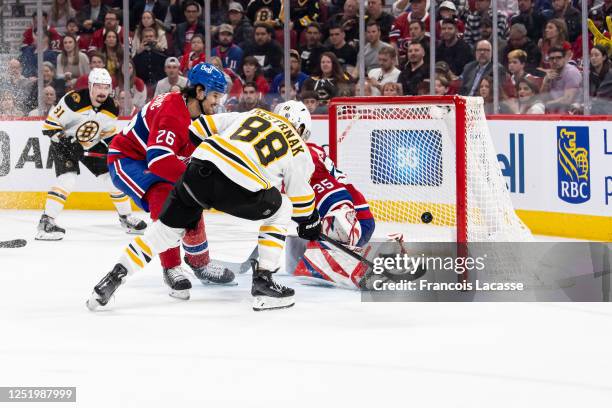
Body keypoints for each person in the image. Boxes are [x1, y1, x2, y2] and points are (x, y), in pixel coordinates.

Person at [86, 100, 320, 312]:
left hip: (198, 170)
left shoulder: (252, 114)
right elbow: (302, 202)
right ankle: (263, 281)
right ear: (301, 130)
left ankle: (116, 274)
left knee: (162, 233)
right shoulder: (299, 148)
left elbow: (198, 128)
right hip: (238, 189)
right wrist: (310, 224)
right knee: (283, 209)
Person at [103, 62, 235, 299]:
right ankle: (171, 267)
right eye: (215, 95)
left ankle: (199, 263)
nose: (218, 102)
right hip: (127, 160)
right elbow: (159, 161)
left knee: (191, 195)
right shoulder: (173, 113)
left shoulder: (196, 113)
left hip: (152, 157)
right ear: (200, 92)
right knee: (164, 195)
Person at [36, 68, 147, 241]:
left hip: (90, 142)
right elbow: (49, 126)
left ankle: (126, 218)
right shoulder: (74, 100)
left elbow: (108, 135)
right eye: (98, 87)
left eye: (106, 87)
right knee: (68, 179)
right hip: (63, 142)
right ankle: (46, 223)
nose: (102, 91)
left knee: (112, 177)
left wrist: (117, 150)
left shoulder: (112, 107)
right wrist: (66, 142)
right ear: (90, 87)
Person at [289, 137, 375, 289]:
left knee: (335, 220)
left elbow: (340, 178)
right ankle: (327, 264)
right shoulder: (307, 152)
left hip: (350, 211)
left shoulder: (308, 152)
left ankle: (353, 268)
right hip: (342, 209)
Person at [540, 46, 581, 113]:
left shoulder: (571, 72)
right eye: (551, 58)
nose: (554, 61)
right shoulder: (551, 72)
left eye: (558, 58)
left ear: (564, 59)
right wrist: (546, 81)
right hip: (555, 108)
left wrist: (547, 104)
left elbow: (568, 100)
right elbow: (542, 97)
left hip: (572, 110)